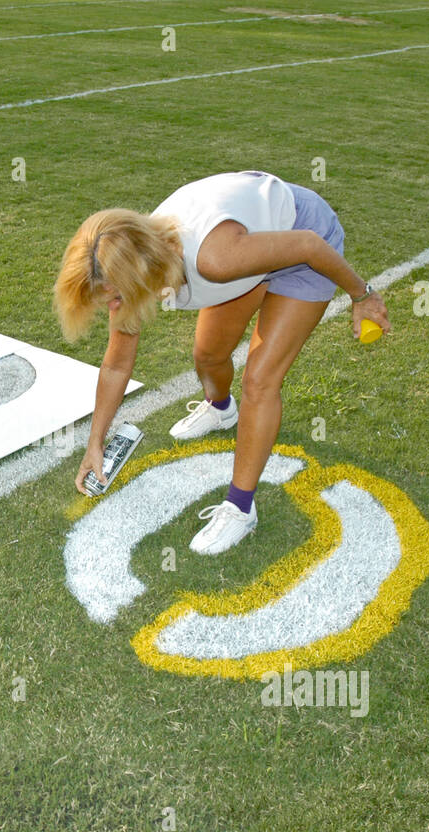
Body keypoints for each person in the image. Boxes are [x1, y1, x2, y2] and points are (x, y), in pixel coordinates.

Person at [54, 170, 389, 554]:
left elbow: (309, 245)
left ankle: (241, 508)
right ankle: (220, 409)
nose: (113, 308)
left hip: (303, 242)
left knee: (260, 381)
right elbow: (115, 365)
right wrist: (95, 443)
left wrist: (363, 295)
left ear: (140, 274)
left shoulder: (214, 258)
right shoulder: (130, 257)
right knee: (208, 355)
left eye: (114, 297)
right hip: (251, 243)